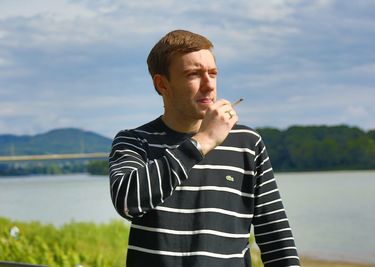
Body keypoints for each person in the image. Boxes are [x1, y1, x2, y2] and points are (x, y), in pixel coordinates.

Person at [109, 29, 300, 267]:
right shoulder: (135, 141)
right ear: (162, 84)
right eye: (193, 74)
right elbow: (127, 202)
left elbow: (277, 240)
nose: (209, 85)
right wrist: (204, 140)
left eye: (213, 73)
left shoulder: (248, 143)